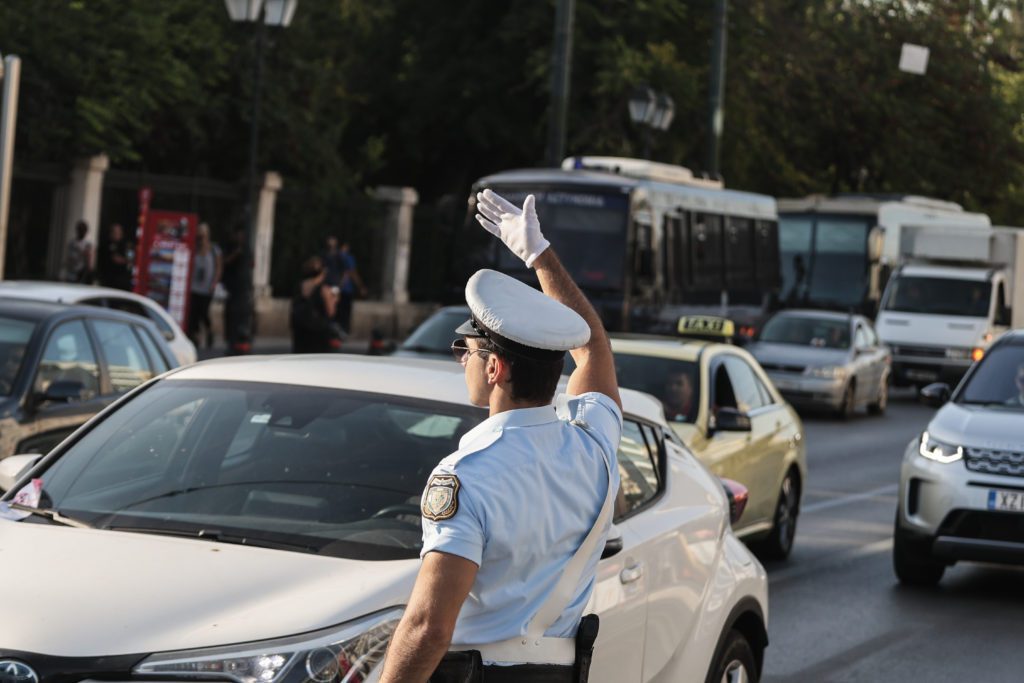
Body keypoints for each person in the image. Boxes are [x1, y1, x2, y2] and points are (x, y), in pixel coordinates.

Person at [379, 189, 622, 683]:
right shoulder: (595, 447)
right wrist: (540, 256)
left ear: (494, 368)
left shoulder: (466, 476)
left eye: (463, 351)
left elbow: (428, 628)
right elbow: (593, 347)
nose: (461, 360)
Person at [290, 255, 341, 353]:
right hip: (319, 332)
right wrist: (334, 299)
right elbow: (331, 312)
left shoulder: (300, 286)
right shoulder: (325, 290)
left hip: (300, 331)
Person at [189, 223, 222, 349]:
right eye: (199, 235)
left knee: (204, 312)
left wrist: (214, 282)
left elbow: (218, 267)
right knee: (194, 314)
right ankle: (196, 336)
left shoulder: (214, 249)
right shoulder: (194, 248)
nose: (201, 238)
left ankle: (209, 333)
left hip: (207, 288)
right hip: (194, 287)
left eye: (203, 235)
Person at [220, 228, 253, 354]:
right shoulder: (230, 248)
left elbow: (252, 264)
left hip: (243, 292)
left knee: (241, 319)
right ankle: (231, 343)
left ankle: (240, 343)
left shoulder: (246, 250)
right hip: (231, 290)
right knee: (231, 318)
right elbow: (225, 262)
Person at [336, 241, 367, 335]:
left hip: (333, 289)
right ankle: (343, 330)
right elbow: (352, 273)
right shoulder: (348, 258)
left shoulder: (333, 256)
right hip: (345, 289)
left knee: (336, 311)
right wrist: (361, 287)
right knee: (345, 312)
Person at [97, 223, 133, 291]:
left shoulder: (127, 245)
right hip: (108, 279)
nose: (115, 234)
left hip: (122, 279)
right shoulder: (106, 244)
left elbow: (130, 259)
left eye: (117, 232)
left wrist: (122, 260)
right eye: (113, 232)